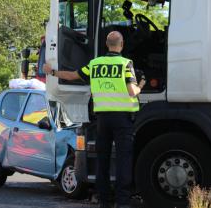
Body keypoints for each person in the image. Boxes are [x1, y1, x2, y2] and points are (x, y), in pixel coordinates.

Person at [43, 31, 146, 208]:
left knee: (102, 161)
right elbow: (132, 91)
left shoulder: (95, 64)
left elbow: (72, 75)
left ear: (107, 44)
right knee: (123, 160)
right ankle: (122, 202)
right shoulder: (125, 64)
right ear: (121, 45)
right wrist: (141, 83)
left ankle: (104, 201)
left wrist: (51, 71)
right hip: (122, 119)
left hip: (103, 120)